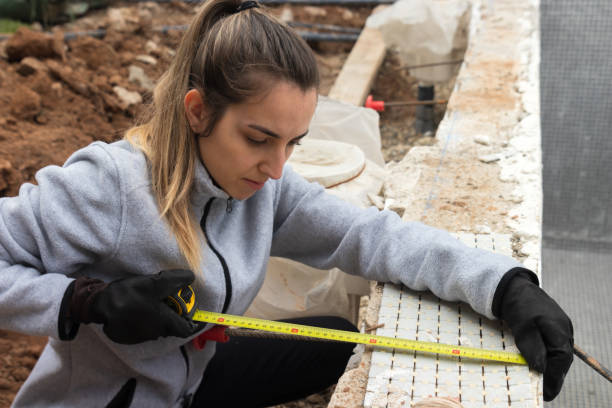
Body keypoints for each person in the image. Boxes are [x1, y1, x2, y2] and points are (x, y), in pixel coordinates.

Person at [0, 0, 573, 407]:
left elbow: (371, 237)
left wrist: (503, 286)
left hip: (192, 383)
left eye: (291, 142)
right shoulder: (109, 187)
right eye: (257, 139)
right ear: (197, 111)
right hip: (108, 398)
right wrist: (84, 303)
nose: (277, 169)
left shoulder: (262, 189)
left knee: (333, 338)